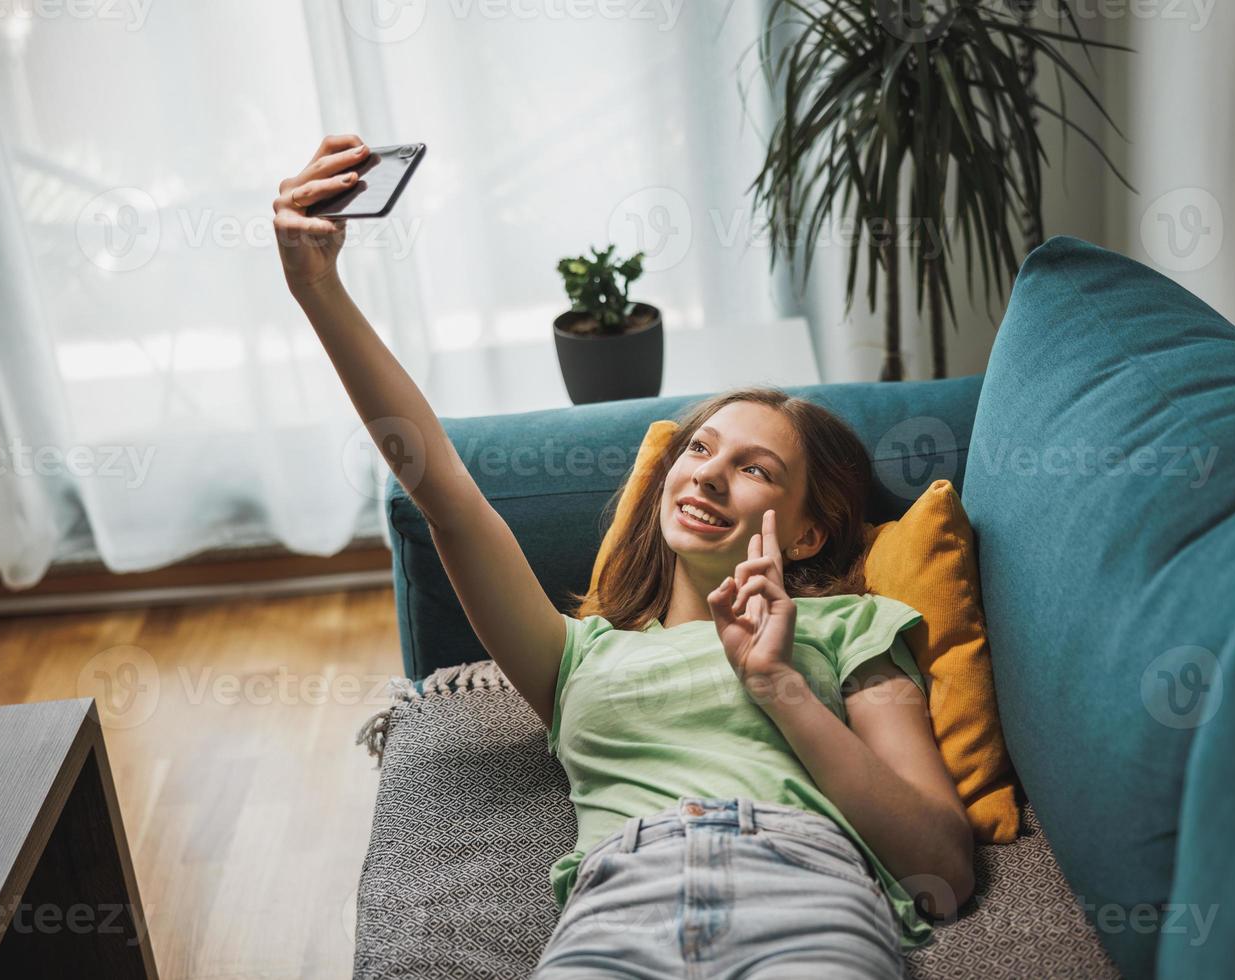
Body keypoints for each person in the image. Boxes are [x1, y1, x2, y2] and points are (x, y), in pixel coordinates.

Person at [275, 134, 975, 979]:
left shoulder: (854, 628)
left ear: (807, 535)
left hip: (804, 892)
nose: (708, 474)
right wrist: (318, 289)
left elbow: (944, 870)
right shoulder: (578, 655)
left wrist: (781, 687)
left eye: (753, 469)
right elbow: (444, 493)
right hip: (618, 905)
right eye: (699, 450)